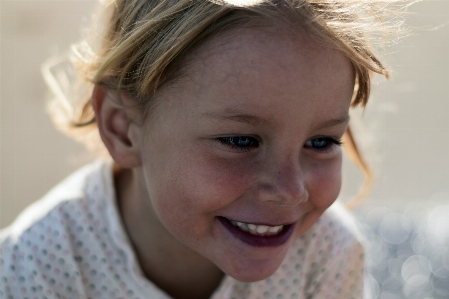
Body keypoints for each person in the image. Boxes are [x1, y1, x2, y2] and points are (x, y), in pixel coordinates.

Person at [0, 0, 400, 298]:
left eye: (320, 142)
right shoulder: (36, 267)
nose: (291, 190)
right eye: (241, 141)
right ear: (123, 129)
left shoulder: (327, 256)